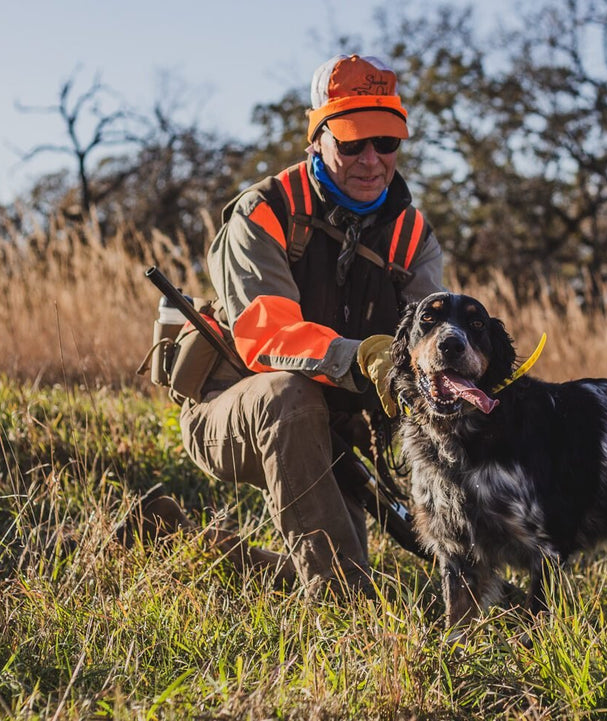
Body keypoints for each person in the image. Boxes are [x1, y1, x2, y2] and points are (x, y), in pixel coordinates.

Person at [175, 54, 444, 596]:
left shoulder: (414, 236)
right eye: (352, 143)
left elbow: (431, 347)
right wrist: (361, 356)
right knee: (288, 396)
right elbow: (265, 336)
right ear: (316, 139)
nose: (372, 161)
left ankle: (184, 543)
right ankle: (345, 619)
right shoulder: (263, 213)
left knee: (342, 556)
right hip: (237, 408)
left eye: (386, 142)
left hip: (342, 426)